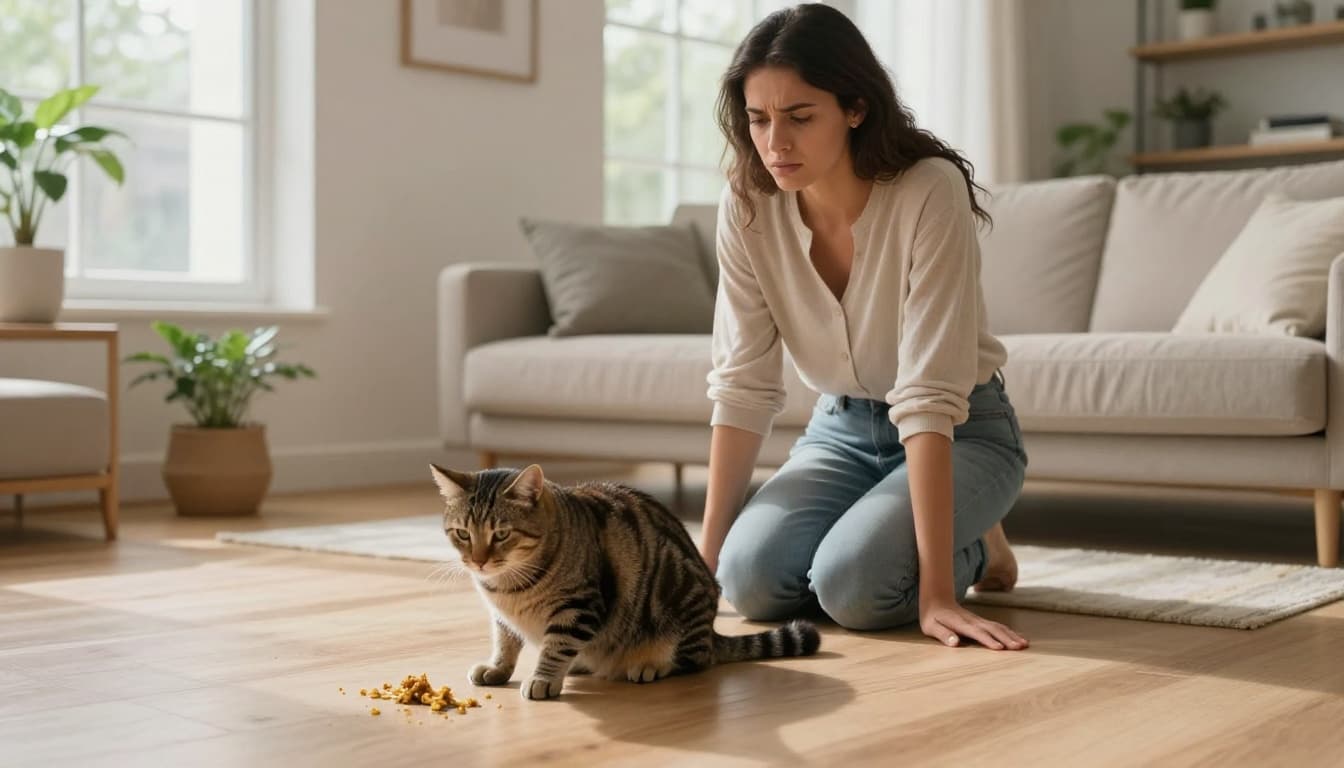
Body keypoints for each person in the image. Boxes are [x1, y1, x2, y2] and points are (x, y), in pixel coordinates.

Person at [699, 3, 1030, 651]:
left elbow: (932, 392)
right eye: (758, 119)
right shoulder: (746, 205)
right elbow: (742, 385)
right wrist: (701, 568)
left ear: (855, 108)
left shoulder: (928, 191)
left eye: (799, 117)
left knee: (856, 589)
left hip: (963, 431)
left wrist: (934, 594)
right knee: (752, 582)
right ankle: (933, 525)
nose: (775, 143)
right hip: (841, 430)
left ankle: (976, 549)